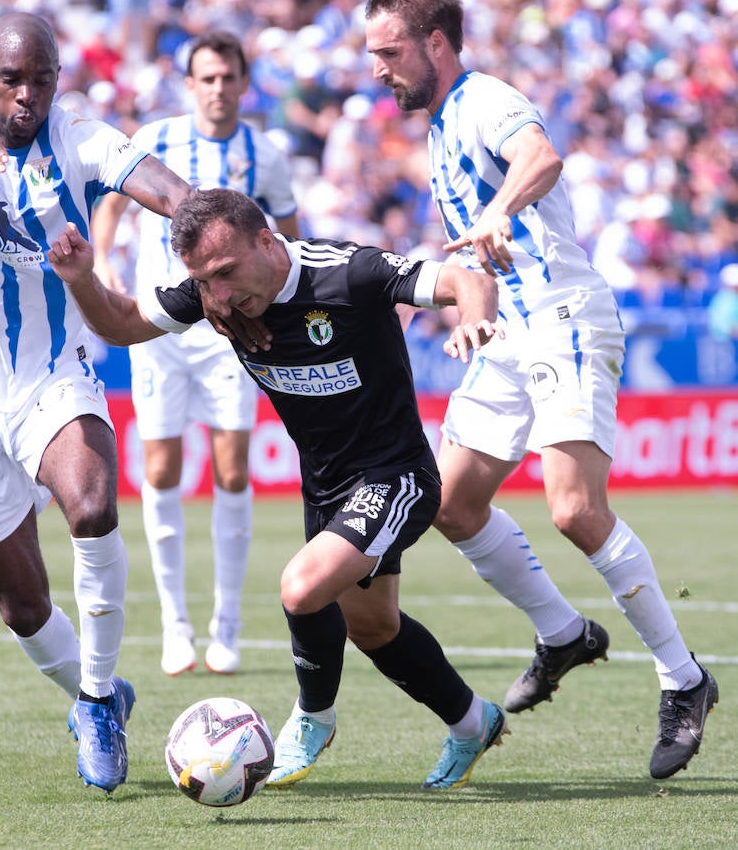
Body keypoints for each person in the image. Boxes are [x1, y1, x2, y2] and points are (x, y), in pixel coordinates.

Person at [364, 0, 718, 780]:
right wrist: (460, 309)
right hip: (506, 333)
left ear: (437, 45)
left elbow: (540, 156)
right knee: (450, 503)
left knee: (574, 509)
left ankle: (685, 679)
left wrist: (499, 211)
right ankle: (563, 634)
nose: (378, 70)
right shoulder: (441, 123)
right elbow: (476, 250)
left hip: (563, 315)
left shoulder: (486, 98)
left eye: (389, 53)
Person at [48, 187, 509, 789]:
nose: (217, 294)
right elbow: (121, 324)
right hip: (325, 487)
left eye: (225, 273)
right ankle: (474, 721)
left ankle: (312, 718)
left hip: (396, 475)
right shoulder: (218, 299)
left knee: (301, 589)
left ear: (266, 241)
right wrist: (82, 278)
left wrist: (474, 318)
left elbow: (465, 279)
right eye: (203, 282)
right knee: (373, 628)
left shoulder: (349, 273)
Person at [0, 11, 193, 794]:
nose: (26, 95)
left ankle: (93, 697)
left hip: (52, 372)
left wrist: (207, 225)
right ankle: (100, 697)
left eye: (41, 79)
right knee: (22, 606)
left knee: (89, 502)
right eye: (11, 79)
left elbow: (163, 187)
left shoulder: (79, 136)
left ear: (59, 79)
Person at [89, 30, 301, 677]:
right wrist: (102, 261)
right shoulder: (157, 138)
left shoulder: (263, 153)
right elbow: (116, 203)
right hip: (161, 324)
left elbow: (287, 236)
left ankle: (225, 626)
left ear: (243, 81)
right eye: (206, 77)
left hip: (232, 333)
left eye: (227, 77)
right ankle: (175, 626)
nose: (217, 88)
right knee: (161, 470)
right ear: (191, 84)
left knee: (233, 470)